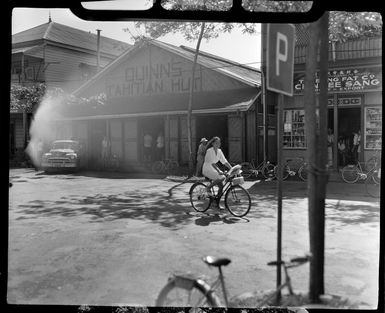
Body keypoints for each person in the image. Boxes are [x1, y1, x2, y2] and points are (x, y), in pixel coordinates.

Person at [202, 137, 232, 207]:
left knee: (221, 186)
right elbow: (212, 163)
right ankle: (208, 188)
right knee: (222, 177)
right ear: (212, 144)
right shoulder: (209, 151)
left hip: (214, 169)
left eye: (219, 143)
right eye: (216, 143)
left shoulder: (219, 151)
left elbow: (224, 161)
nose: (218, 144)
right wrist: (219, 171)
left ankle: (216, 203)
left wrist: (232, 168)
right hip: (207, 169)